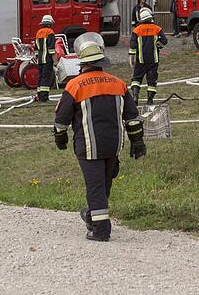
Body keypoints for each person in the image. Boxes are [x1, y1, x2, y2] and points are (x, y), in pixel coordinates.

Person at [53, 33, 145, 242]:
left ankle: (101, 229)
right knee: (104, 185)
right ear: (101, 61)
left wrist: (60, 138)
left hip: (88, 146)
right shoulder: (118, 84)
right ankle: (92, 215)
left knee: (95, 187)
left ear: (82, 63)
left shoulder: (75, 85)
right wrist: (138, 141)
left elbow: (61, 120)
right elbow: (132, 118)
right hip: (113, 145)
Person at [129, 7, 167, 105]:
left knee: (136, 79)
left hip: (140, 60)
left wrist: (131, 59)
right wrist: (158, 46)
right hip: (153, 60)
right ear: (150, 18)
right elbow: (164, 40)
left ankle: (135, 96)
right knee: (151, 80)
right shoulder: (157, 29)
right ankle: (150, 100)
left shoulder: (136, 30)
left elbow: (132, 46)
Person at [33, 15, 56, 102]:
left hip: (40, 60)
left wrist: (37, 57)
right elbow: (51, 48)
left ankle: (39, 95)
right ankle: (44, 97)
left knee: (40, 77)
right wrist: (54, 60)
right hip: (47, 59)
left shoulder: (38, 32)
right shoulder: (50, 32)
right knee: (46, 78)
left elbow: (36, 48)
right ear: (50, 24)